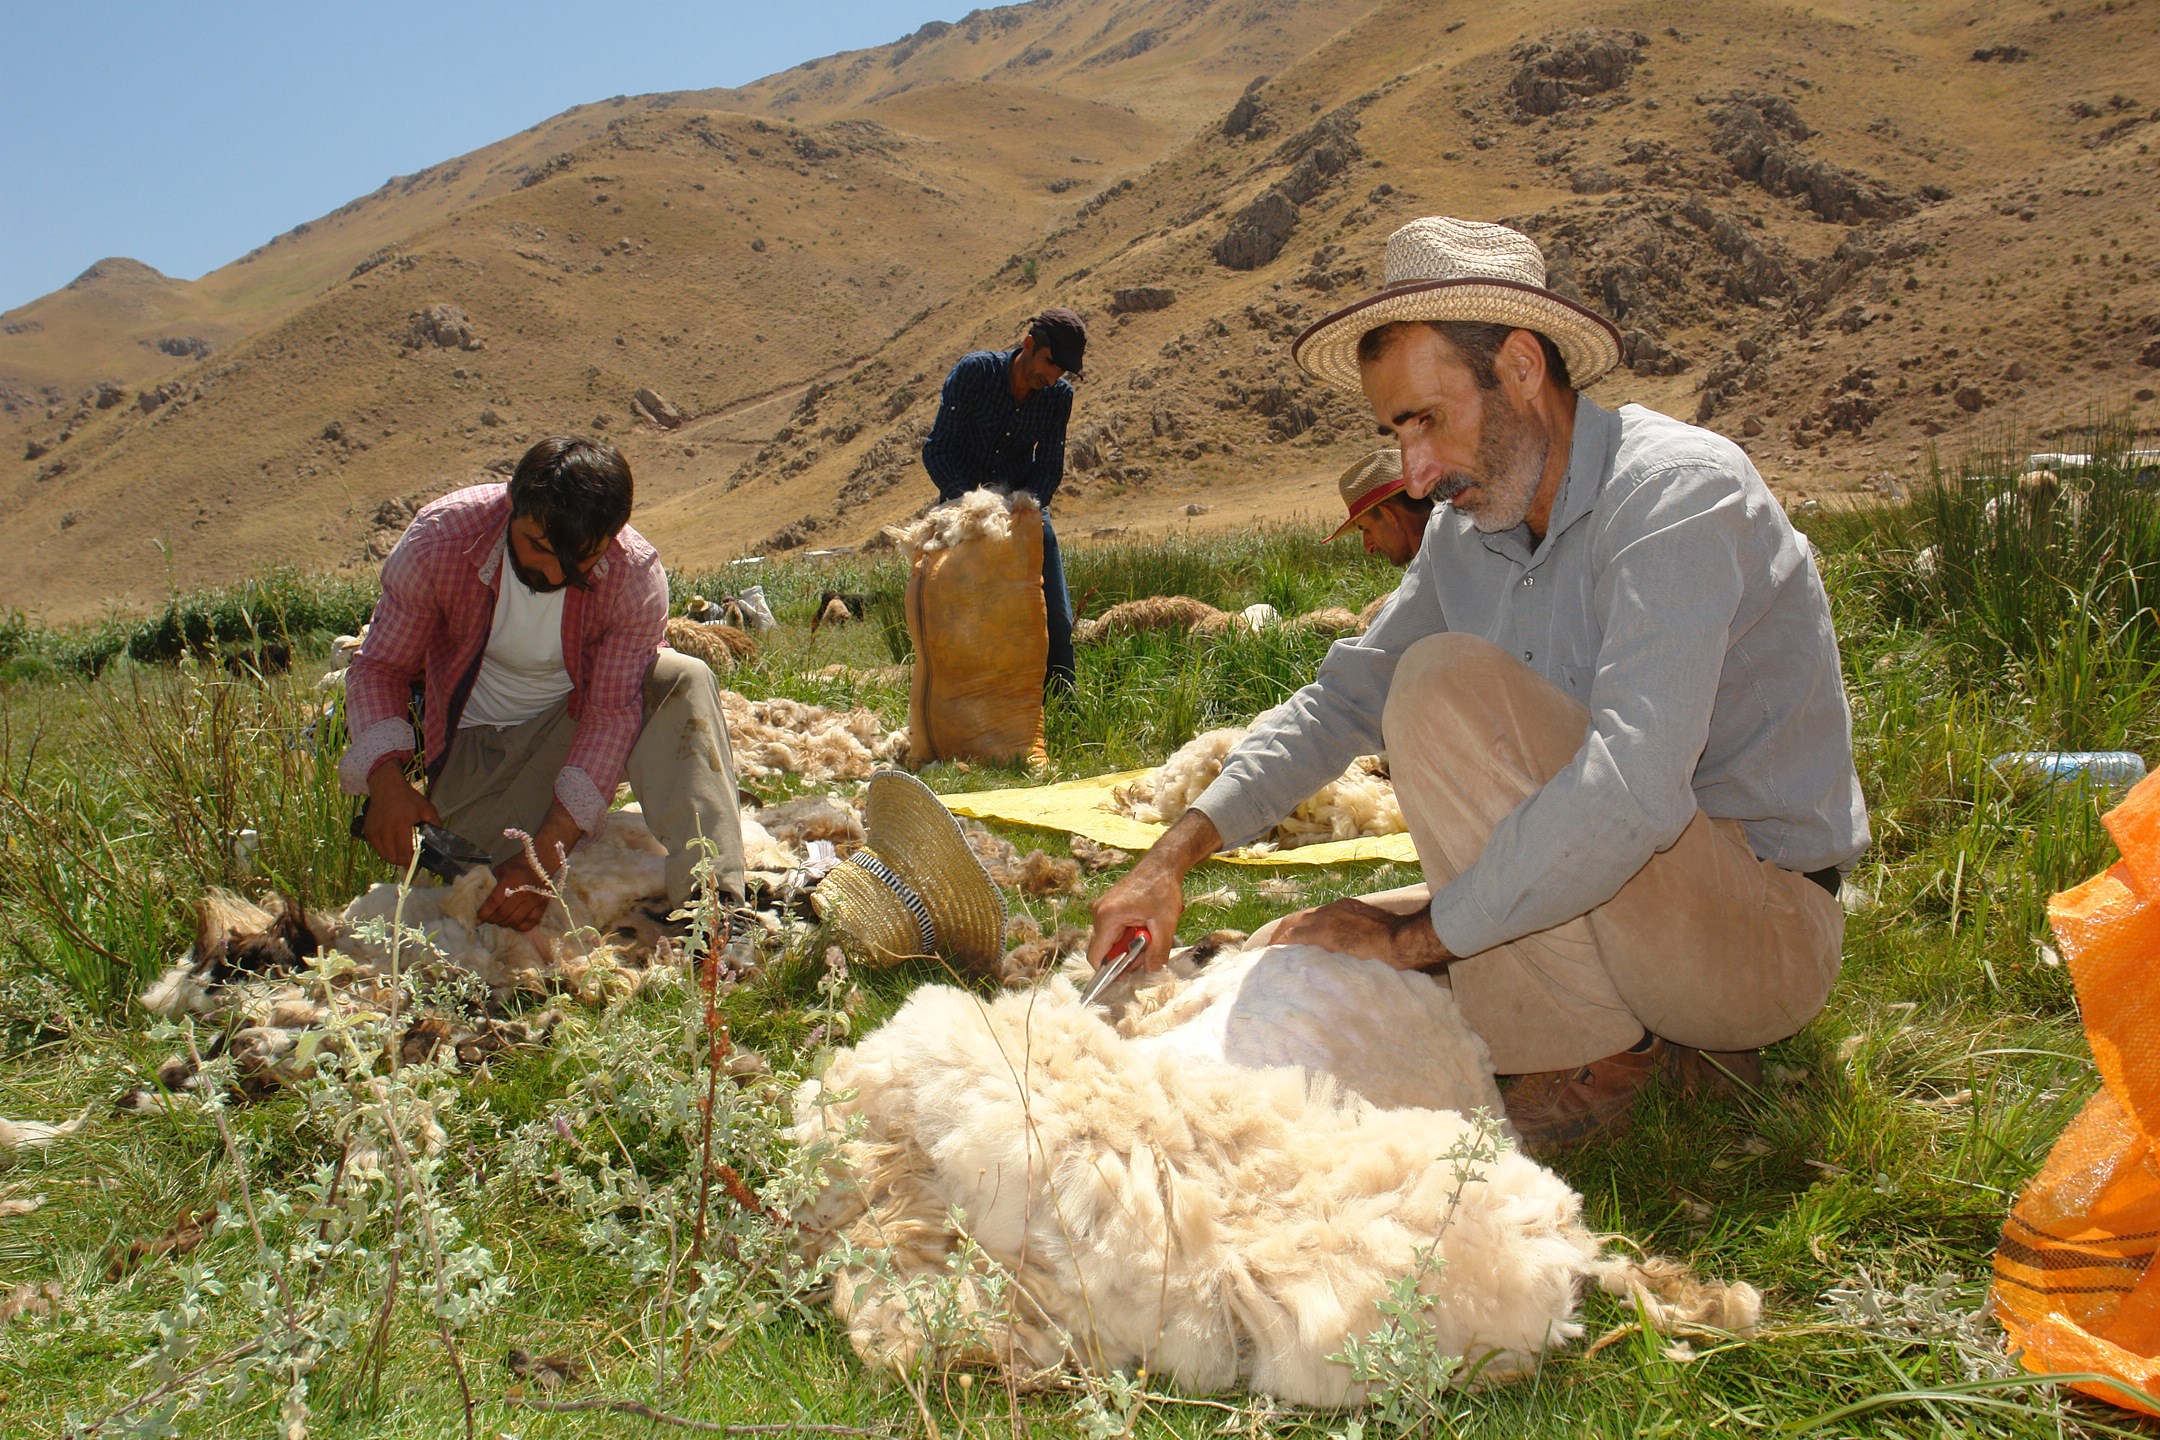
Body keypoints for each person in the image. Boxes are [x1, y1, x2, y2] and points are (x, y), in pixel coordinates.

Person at [1088, 216, 1868, 1154]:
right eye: (1395, 431)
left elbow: (1631, 791)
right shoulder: (1470, 538)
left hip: (1749, 932)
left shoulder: (1678, 495)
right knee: (1299, 935)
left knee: (1441, 688)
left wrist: (1413, 939)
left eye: (1429, 420)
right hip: (1620, 907)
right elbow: (1342, 702)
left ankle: (1600, 1063)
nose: (1414, 475)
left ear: (1524, 369)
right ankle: (1628, 1034)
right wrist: (1169, 859)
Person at [340, 435, 745, 933]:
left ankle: (716, 907)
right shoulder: (439, 539)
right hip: (477, 742)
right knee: (474, 899)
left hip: (578, 724)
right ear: (512, 504)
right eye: (536, 546)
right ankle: (565, 832)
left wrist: (544, 856)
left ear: (611, 538)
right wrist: (386, 783)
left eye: (581, 559)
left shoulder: (633, 575)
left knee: (680, 677)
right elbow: (379, 667)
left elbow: (611, 715)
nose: (553, 572)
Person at [921, 307, 1087, 691]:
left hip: (1019, 509)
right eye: (1049, 363)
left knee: (1055, 615)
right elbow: (938, 449)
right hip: (962, 505)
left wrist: (1024, 508)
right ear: (1030, 345)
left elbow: (1048, 467)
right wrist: (970, 506)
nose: (1052, 376)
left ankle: (1063, 700)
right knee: (953, 612)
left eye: (1060, 371)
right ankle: (962, 695)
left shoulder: (1057, 397)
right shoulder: (975, 373)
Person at [1325, 448, 1433, 567]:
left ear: (1389, 516)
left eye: (1366, 528)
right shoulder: (1449, 544)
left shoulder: (1437, 567)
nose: (1368, 547)